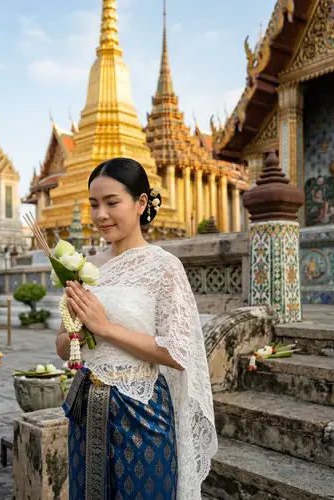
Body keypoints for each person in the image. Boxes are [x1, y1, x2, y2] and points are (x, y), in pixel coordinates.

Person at [56, 157, 217, 499]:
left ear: (141, 202)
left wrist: (105, 327)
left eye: (112, 202)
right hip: (87, 406)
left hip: (141, 410)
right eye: (94, 204)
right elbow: (63, 345)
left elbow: (177, 352)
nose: (101, 215)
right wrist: (76, 326)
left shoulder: (163, 267)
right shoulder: (86, 267)